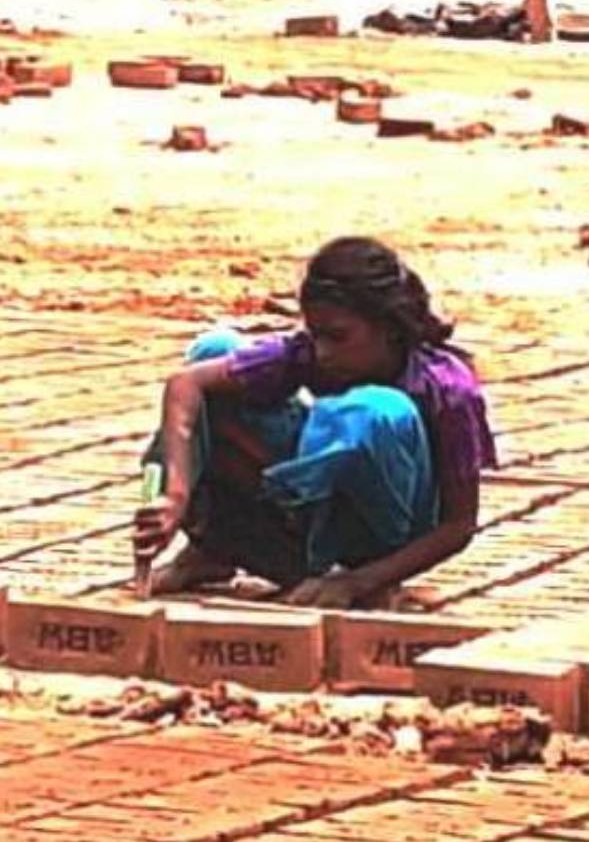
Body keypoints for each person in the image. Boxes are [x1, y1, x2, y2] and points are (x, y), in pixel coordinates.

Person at [133, 236, 497, 609]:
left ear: (388, 328)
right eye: (316, 334)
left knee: (370, 412)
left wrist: (357, 581)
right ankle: (214, 546)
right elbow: (186, 383)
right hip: (302, 514)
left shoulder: (448, 389)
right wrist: (175, 495)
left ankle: (363, 573)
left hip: (381, 533)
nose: (323, 352)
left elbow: (457, 527)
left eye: (338, 337)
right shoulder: (310, 353)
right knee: (215, 352)